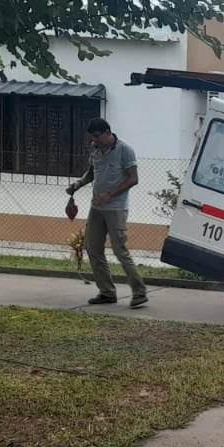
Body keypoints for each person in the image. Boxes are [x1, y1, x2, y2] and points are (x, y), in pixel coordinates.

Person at [67, 118, 146, 308]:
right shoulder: (95, 150)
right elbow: (92, 173)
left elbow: (133, 179)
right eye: (91, 137)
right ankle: (107, 292)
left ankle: (140, 292)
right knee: (92, 248)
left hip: (116, 208)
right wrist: (77, 185)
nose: (94, 141)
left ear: (107, 132)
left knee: (120, 250)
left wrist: (110, 195)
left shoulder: (125, 150)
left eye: (96, 136)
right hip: (97, 208)